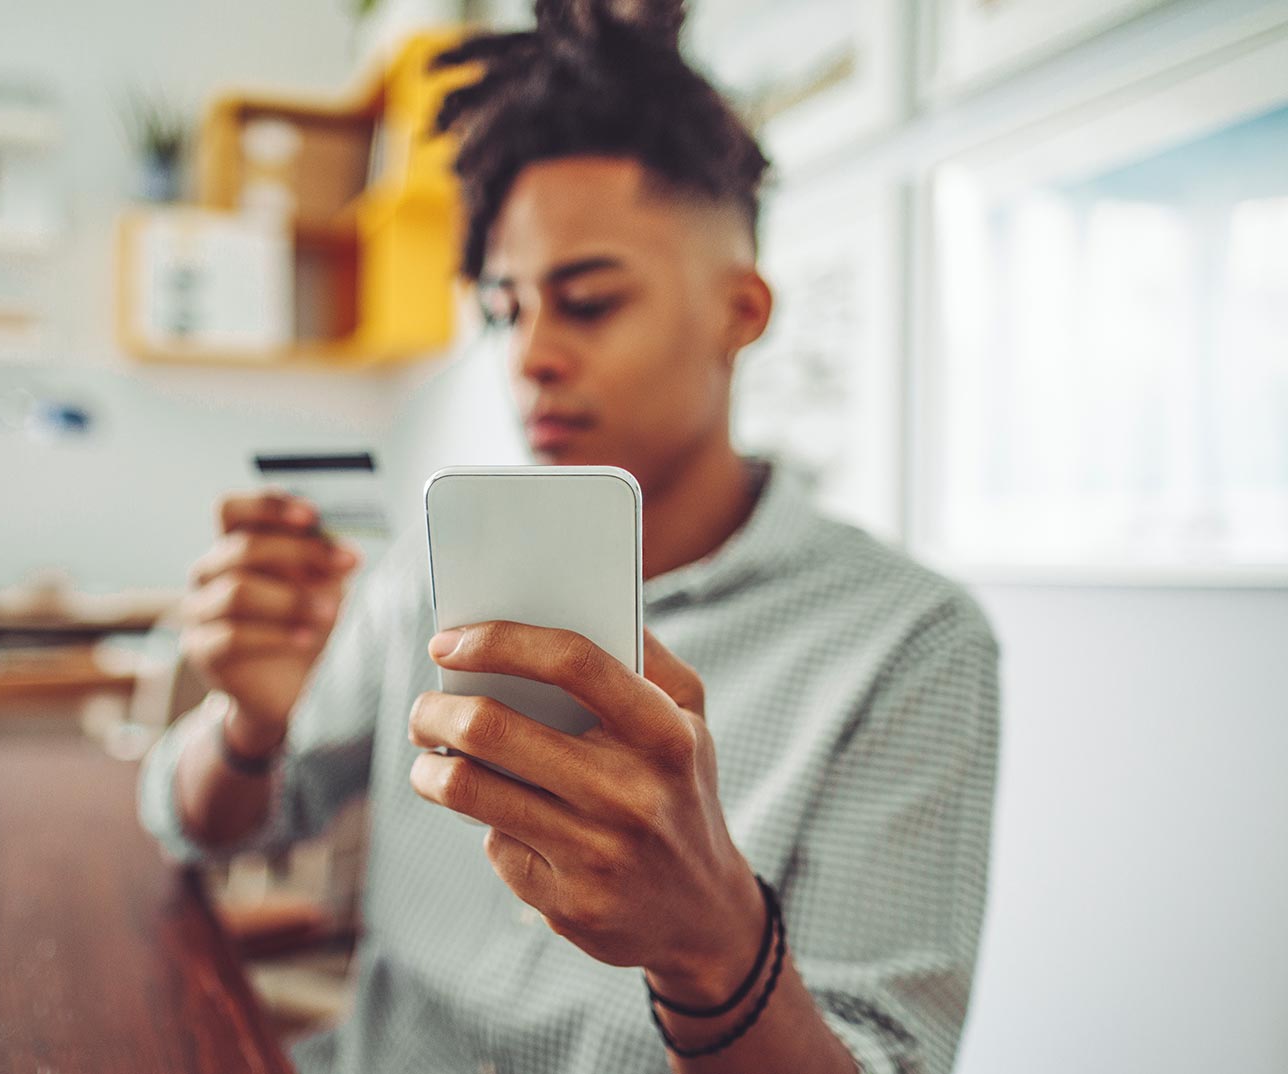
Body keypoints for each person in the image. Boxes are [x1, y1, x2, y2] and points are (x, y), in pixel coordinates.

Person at [140, 2, 999, 1071]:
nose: (529, 358)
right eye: (506, 311)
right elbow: (204, 827)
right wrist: (249, 727)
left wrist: (716, 953)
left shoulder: (907, 644)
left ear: (740, 312)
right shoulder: (435, 571)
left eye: (586, 302)